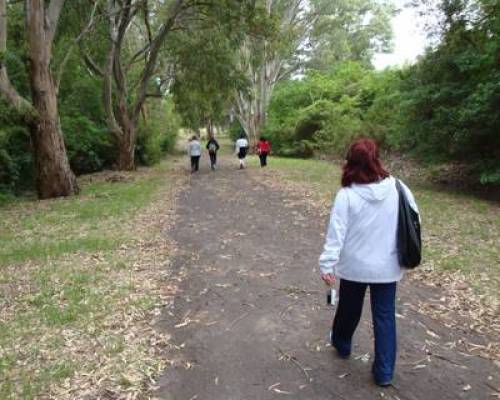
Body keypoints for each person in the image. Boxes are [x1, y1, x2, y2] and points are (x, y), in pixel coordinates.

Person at [319, 138, 419, 387]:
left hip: (355, 266)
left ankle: (342, 344)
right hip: (387, 266)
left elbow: (336, 232)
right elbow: (414, 219)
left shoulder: (347, 195)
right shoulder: (398, 188)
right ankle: (384, 372)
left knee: (349, 309)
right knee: (384, 317)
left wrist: (327, 264)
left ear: (349, 162)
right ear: (376, 159)